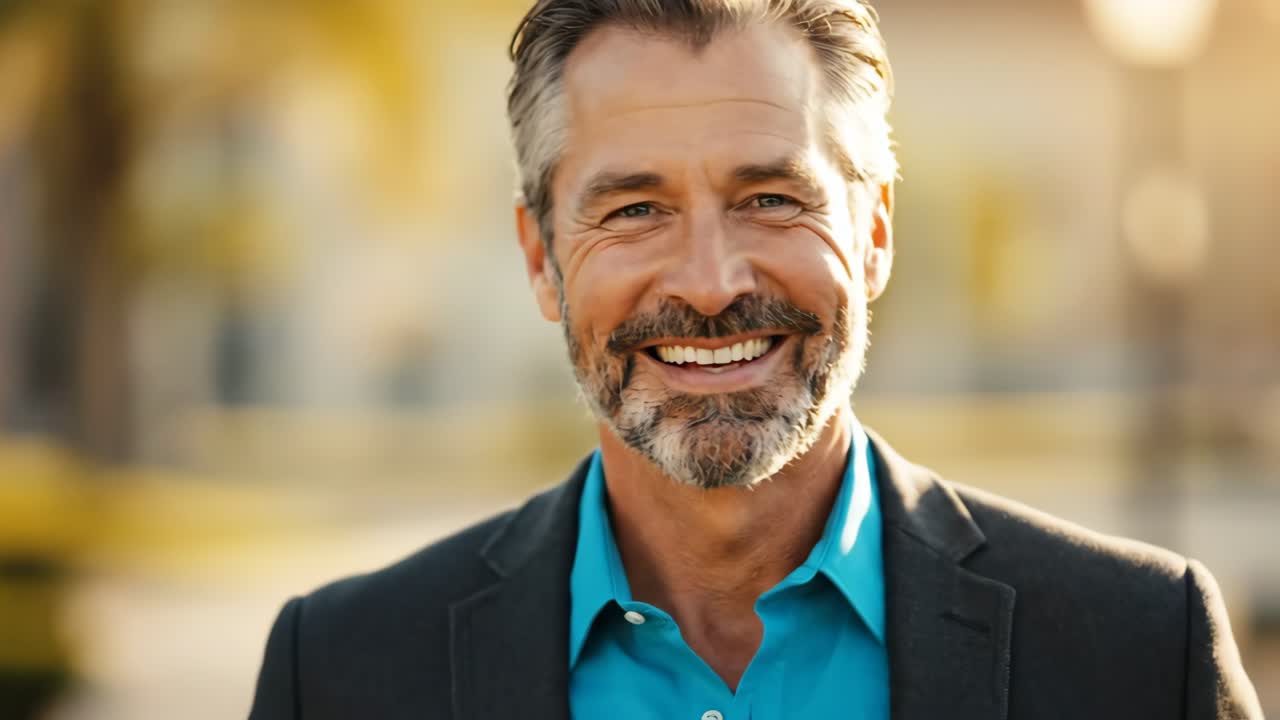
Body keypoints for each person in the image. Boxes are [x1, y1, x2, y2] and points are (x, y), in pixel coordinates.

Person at [248, 1, 1262, 718]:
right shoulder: (341, 673)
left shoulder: (1137, 651)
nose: (706, 280)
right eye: (634, 209)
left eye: (770, 198)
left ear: (872, 233)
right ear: (540, 256)